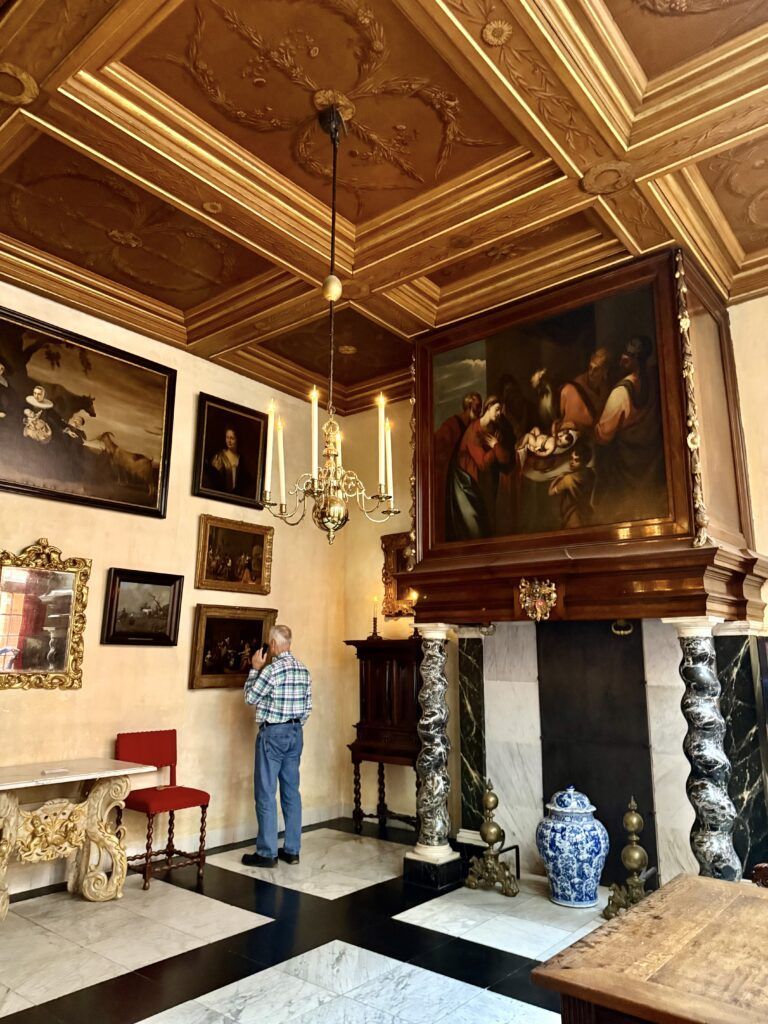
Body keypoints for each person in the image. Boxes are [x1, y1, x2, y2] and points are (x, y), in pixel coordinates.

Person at [241, 624, 312, 867]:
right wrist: (293, 726)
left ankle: (267, 853)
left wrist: (254, 669)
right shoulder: (303, 669)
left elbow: (250, 698)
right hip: (295, 732)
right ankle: (292, 851)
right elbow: (307, 708)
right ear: (288, 643)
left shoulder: (271, 670)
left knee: (266, 792)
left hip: (273, 733)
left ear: (272, 644)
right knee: (291, 791)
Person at [593, 334, 665, 522]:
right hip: (651, 460)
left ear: (632, 359)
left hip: (628, 464)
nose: (622, 358)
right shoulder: (656, 378)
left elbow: (603, 436)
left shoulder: (620, 393)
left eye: (627, 355)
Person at [446, 396, 510, 540]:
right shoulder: (474, 432)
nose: (499, 413)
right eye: (497, 409)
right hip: (466, 481)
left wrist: (496, 446)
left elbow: (504, 459)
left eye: (501, 410)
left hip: (483, 480)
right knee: (475, 528)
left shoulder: (494, 428)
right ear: (488, 407)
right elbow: (482, 464)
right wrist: (495, 447)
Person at [433, 392, 481, 540]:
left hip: (465, 476)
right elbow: (436, 447)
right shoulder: (452, 424)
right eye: (477, 406)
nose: (479, 410)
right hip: (453, 478)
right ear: (469, 405)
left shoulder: (473, 426)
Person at [556, 347, 611, 433]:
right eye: (590, 367)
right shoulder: (575, 387)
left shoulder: (605, 389)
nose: (591, 372)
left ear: (604, 371)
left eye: (596, 369)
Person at [548, 439, 595, 528]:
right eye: (571, 458)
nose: (571, 462)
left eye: (576, 460)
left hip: (573, 515)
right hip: (587, 512)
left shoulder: (567, 479)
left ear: (584, 462)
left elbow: (550, 492)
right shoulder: (591, 473)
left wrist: (558, 477)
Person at [206, 426, 253, 497]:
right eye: (227, 437)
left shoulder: (241, 459)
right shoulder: (219, 456)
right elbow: (213, 480)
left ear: (237, 440)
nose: (229, 441)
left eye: (232, 438)